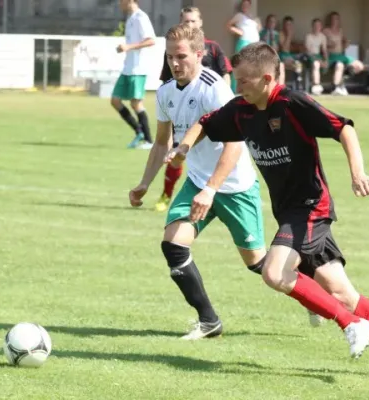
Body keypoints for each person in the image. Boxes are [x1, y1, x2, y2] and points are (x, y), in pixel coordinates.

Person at [167, 42, 369, 381]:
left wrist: (358, 174)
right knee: (342, 294)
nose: (238, 87)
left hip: (310, 208)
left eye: (245, 81)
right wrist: (182, 148)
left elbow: (344, 127)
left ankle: (351, 324)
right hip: (289, 212)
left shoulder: (292, 104)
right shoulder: (242, 111)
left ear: (266, 78)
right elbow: (205, 122)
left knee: (274, 273)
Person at [129, 24, 267, 340]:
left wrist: (212, 188)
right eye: (169, 57)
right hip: (197, 182)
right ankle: (209, 321)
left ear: (199, 55)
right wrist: (145, 183)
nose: (175, 63)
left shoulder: (213, 87)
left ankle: (308, 285)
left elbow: (236, 142)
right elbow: (162, 141)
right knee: (173, 245)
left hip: (232, 185)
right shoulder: (165, 92)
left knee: (259, 265)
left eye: (181, 56)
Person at [155, 6, 232, 212]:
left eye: (192, 21)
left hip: (210, 109)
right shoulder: (175, 50)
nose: (189, 24)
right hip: (182, 109)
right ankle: (166, 193)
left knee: (194, 150)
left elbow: (225, 73)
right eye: (185, 21)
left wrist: (226, 98)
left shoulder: (213, 49)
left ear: (200, 23)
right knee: (176, 154)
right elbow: (167, 80)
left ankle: (214, 187)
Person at [111, 0, 155, 149]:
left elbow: (150, 41)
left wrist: (128, 46)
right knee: (115, 101)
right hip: (128, 68)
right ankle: (139, 131)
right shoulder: (130, 17)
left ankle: (149, 141)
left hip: (138, 68)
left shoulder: (141, 17)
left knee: (136, 103)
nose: (119, 3)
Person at [323, 11, 364, 96]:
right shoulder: (326, 31)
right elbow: (322, 46)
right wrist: (329, 46)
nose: (335, 20)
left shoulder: (340, 31)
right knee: (339, 65)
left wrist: (346, 43)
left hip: (341, 55)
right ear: (330, 20)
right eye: (334, 19)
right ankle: (335, 87)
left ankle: (344, 79)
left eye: (337, 19)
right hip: (331, 56)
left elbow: (343, 42)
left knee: (360, 66)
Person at [226, 0, 260, 93]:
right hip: (244, 42)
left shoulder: (252, 17)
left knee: (252, 67)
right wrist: (240, 32)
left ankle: (249, 88)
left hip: (254, 44)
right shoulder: (239, 16)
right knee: (240, 66)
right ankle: (234, 90)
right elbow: (229, 25)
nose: (245, 6)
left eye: (247, 4)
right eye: (243, 4)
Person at [305, 18, 328, 95]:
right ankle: (316, 85)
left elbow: (324, 50)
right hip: (309, 56)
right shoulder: (308, 36)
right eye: (315, 25)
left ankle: (337, 87)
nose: (317, 27)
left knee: (322, 63)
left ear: (321, 27)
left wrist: (326, 60)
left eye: (318, 25)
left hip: (318, 56)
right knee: (316, 64)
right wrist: (319, 60)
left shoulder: (323, 37)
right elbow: (308, 51)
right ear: (312, 26)